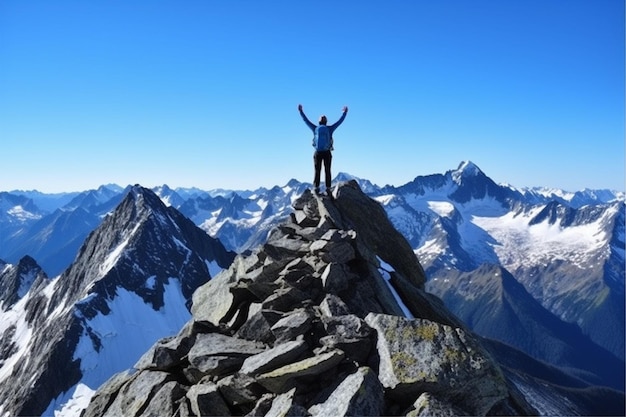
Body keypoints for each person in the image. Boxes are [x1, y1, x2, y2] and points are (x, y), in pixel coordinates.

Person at [298, 104, 348, 195]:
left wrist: (301, 111)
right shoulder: (330, 129)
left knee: (317, 170)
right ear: (326, 121)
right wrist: (344, 113)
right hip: (327, 152)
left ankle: (316, 188)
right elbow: (339, 122)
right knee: (327, 170)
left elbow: (306, 120)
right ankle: (328, 189)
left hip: (317, 152)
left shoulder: (315, 128)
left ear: (319, 122)